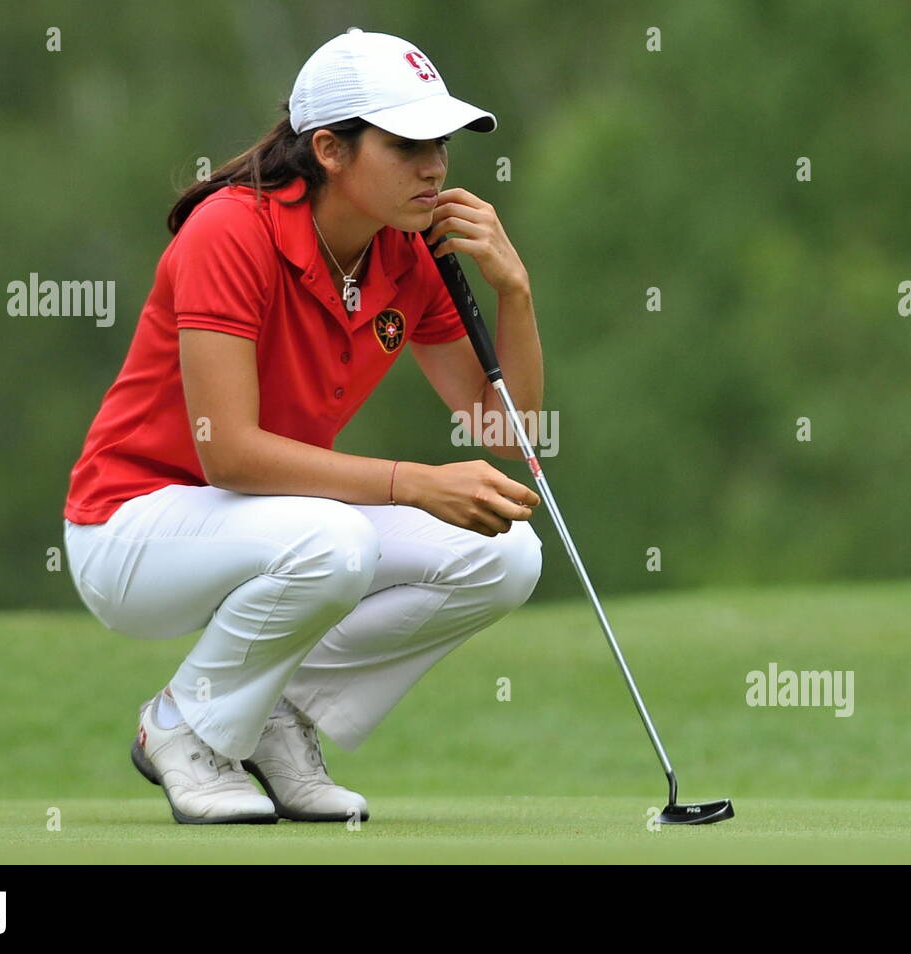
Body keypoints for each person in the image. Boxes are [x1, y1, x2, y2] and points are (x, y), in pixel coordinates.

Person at [61, 28, 544, 826]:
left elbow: (508, 433)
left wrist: (515, 291)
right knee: (335, 544)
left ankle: (275, 716)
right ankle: (182, 728)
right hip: (129, 528)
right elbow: (229, 454)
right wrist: (415, 484)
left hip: (272, 520)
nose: (434, 167)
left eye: (441, 144)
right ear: (329, 148)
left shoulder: (408, 257)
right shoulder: (230, 231)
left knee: (505, 554)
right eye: (406, 144)